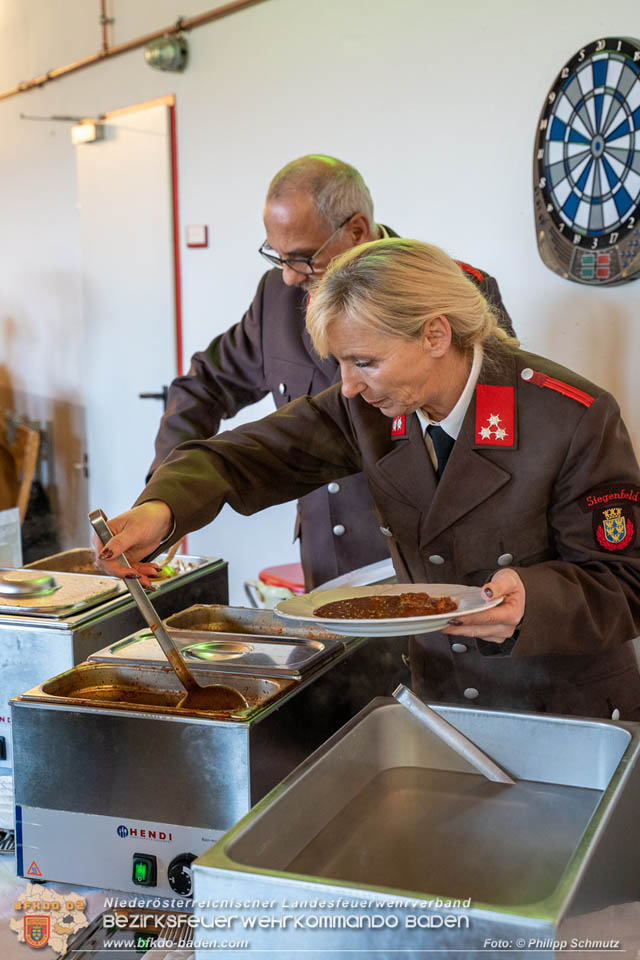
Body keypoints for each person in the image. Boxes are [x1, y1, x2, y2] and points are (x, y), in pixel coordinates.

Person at [98, 238, 640, 719]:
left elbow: (624, 582)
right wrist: (161, 508)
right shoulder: (367, 408)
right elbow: (249, 455)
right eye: (339, 363)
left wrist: (535, 601)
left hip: (565, 710)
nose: (349, 386)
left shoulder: (571, 416)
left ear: (434, 334)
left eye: (365, 362)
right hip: (443, 705)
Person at [149, 154, 514, 589]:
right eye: (276, 257)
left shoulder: (448, 290)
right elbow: (206, 384)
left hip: (418, 561)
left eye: (302, 258)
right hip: (324, 560)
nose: (287, 277)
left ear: (357, 230)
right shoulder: (278, 298)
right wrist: (165, 494)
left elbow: (489, 434)